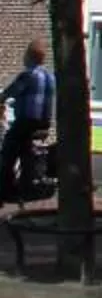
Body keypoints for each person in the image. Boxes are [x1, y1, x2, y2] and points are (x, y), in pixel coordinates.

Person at [0, 41, 56, 206]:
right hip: (43, 124)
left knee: (8, 151)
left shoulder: (28, 75)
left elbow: (9, 93)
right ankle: (26, 186)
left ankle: (6, 190)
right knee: (25, 150)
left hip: (26, 122)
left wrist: (3, 99)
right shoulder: (50, 77)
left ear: (29, 57)